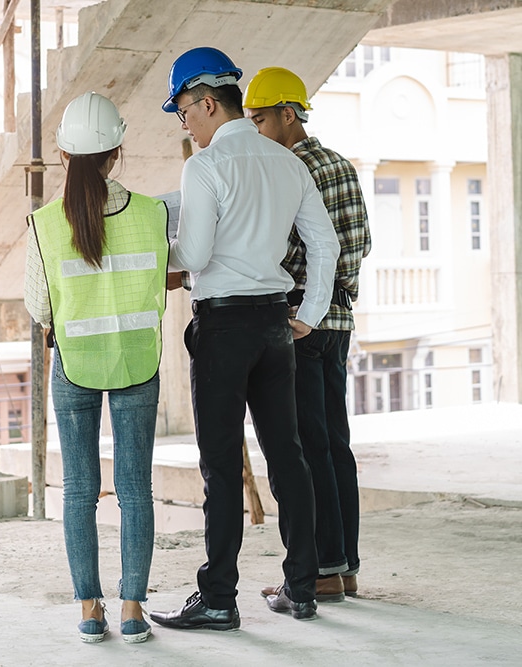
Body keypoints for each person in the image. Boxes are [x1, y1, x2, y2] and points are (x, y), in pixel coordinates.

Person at [147, 47, 340, 630]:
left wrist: (158, 253)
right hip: (275, 325)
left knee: (221, 466)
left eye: (184, 111)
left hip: (225, 325)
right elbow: (325, 245)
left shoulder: (204, 166)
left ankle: (219, 598)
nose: (185, 124)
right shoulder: (288, 163)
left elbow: (198, 254)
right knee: (289, 455)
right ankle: (301, 587)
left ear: (207, 102)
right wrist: (307, 313)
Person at [23, 91, 169, 644]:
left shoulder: (44, 222)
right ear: (117, 152)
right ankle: (133, 609)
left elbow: (40, 307)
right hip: (137, 361)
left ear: (63, 155)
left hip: (75, 365)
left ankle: (89, 606)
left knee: (80, 491)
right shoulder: (154, 213)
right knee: (136, 490)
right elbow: (160, 282)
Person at [243, 66, 372, 601]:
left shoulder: (288, 168)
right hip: (337, 321)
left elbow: (291, 249)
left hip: (299, 321)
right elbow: (359, 243)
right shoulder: (340, 163)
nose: (254, 130)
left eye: (260, 118)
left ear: (288, 114)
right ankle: (343, 567)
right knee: (334, 445)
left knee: (302, 449)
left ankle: (318, 570)